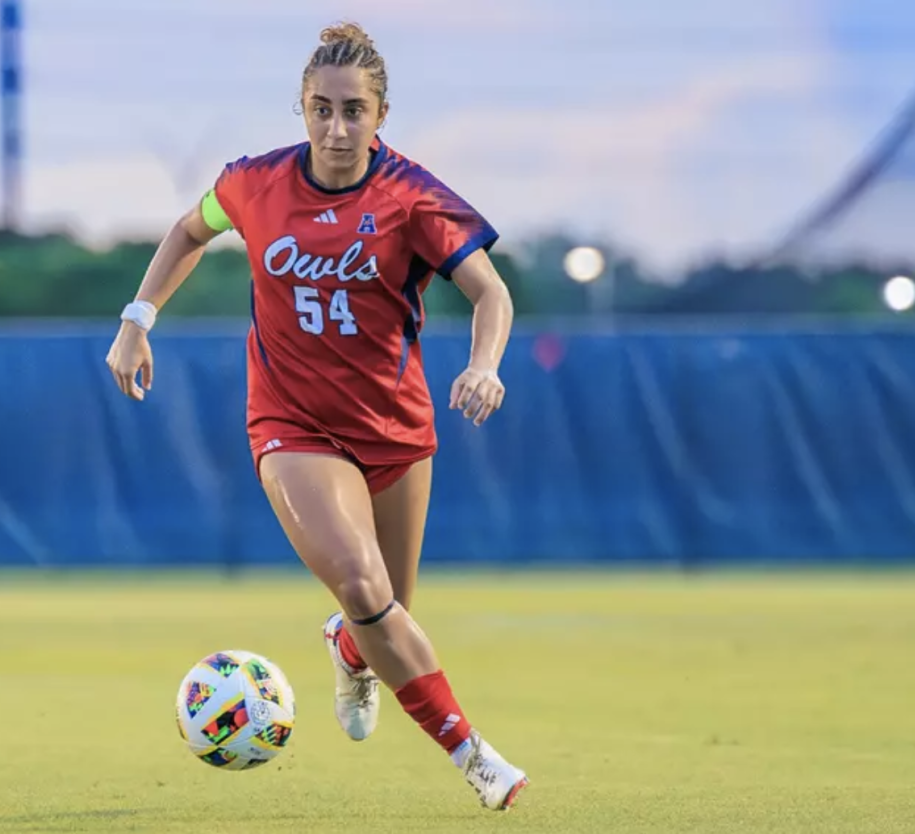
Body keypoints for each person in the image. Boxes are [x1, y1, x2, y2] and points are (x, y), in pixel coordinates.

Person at [105, 21, 527, 811]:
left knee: (384, 614)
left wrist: (484, 363)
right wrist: (138, 316)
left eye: (354, 110)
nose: (337, 127)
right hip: (292, 425)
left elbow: (490, 292)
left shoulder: (412, 197)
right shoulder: (252, 183)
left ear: (381, 114)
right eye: (320, 109)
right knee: (366, 588)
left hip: (396, 429)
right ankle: (473, 755)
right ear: (300, 109)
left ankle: (347, 647)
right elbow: (191, 229)